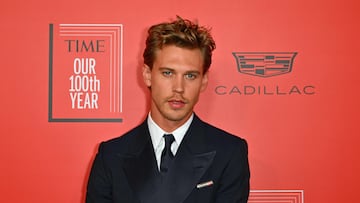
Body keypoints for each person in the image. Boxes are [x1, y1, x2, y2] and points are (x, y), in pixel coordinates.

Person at [86, 16, 250, 203]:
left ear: (203, 81)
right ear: (148, 75)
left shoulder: (229, 153)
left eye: (190, 75)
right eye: (167, 73)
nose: (178, 87)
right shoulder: (111, 155)